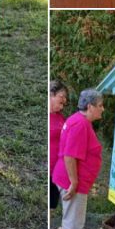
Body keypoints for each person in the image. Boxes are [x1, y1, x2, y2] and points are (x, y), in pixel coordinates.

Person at [52, 89, 105, 229]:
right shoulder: (80, 124)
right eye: (100, 106)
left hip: (71, 179)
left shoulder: (79, 120)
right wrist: (74, 183)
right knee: (72, 223)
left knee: (72, 220)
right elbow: (69, 156)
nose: (103, 109)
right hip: (71, 181)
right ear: (89, 106)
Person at [49, 82, 70, 213]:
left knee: (52, 205)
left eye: (65, 98)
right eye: (61, 96)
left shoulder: (61, 118)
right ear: (51, 94)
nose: (64, 100)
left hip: (57, 170)